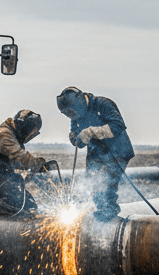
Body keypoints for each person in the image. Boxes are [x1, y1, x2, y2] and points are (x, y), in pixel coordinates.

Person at [56, 86, 135, 220]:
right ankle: (102, 210)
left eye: (72, 113)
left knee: (106, 181)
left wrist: (91, 132)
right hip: (96, 152)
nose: (71, 117)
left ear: (80, 103)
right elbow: (75, 132)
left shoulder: (103, 104)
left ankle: (109, 211)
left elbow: (118, 125)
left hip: (117, 151)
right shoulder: (75, 113)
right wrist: (76, 139)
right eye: (68, 114)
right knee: (94, 181)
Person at [0, 109, 47, 218]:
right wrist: (35, 163)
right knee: (23, 207)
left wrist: (30, 175)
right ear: (25, 128)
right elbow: (18, 157)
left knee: (29, 203)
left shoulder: (11, 133)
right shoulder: (4, 134)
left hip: (2, 178)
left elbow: (14, 164)